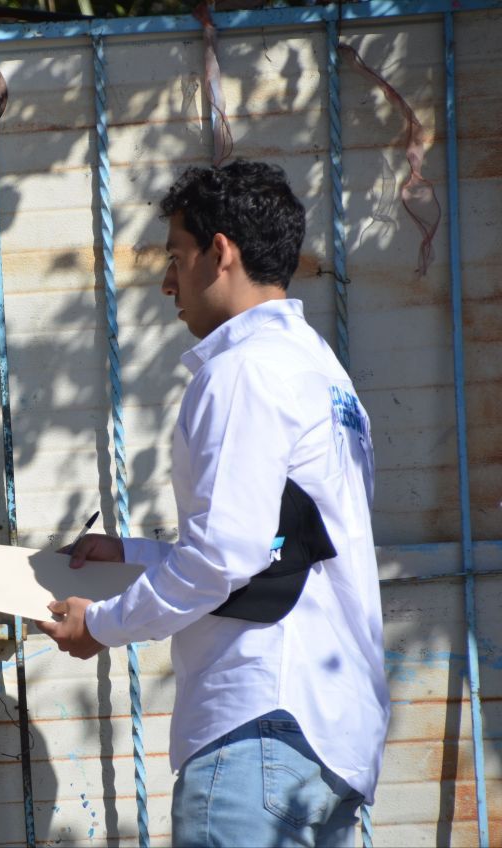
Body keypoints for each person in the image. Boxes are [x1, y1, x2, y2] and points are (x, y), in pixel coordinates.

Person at [36, 161, 390, 847]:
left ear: (219, 252)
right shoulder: (318, 369)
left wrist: (101, 624)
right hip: (327, 734)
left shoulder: (243, 370)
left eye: (176, 257)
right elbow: (274, 548)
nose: (168, 282)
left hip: (258, 724)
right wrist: (135, 555)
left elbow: (226, 554)